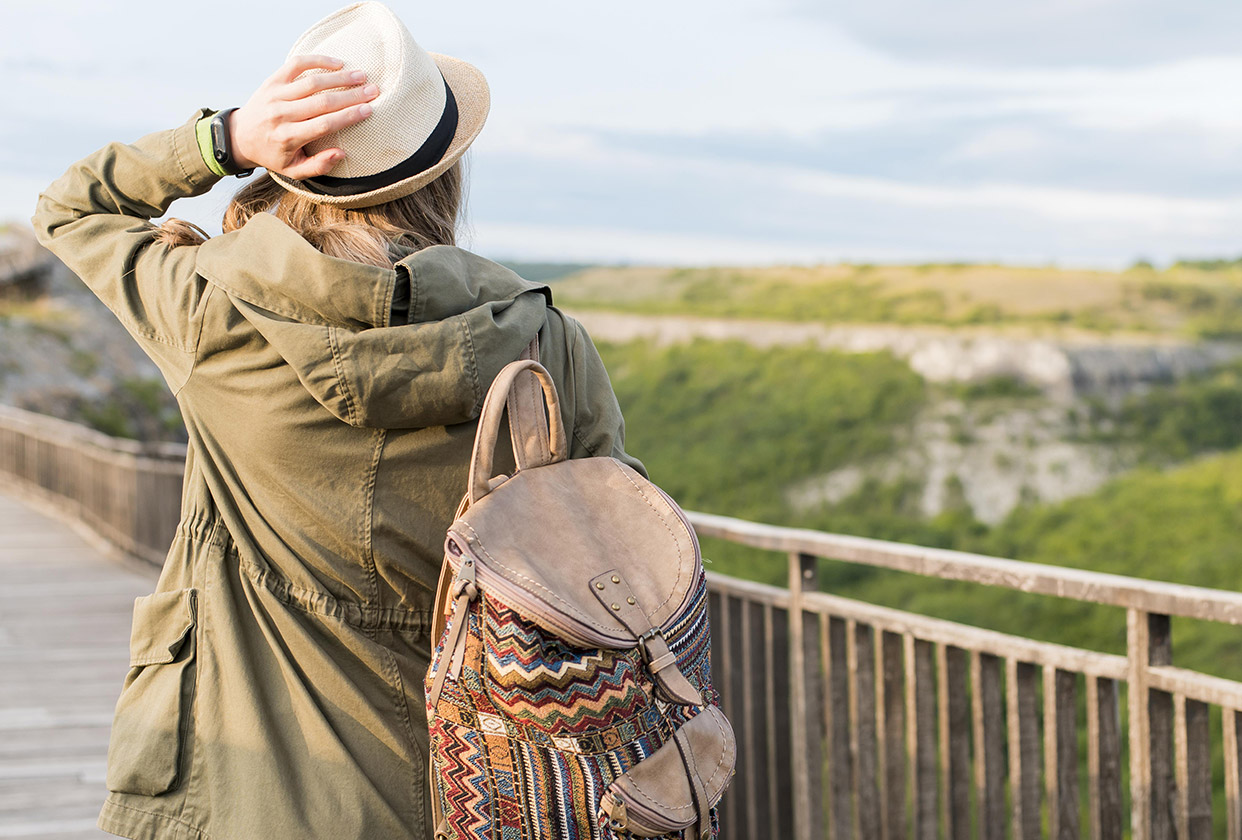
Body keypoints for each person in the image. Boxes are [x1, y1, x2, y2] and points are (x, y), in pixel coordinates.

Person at [31, 3, 643, 838]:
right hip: (485, 790)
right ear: (445, 175)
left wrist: (226, 138)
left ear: (293, 169)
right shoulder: (547, 345)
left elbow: (69, 211)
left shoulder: (212, 315)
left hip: (255, 787)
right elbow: (619, 544)